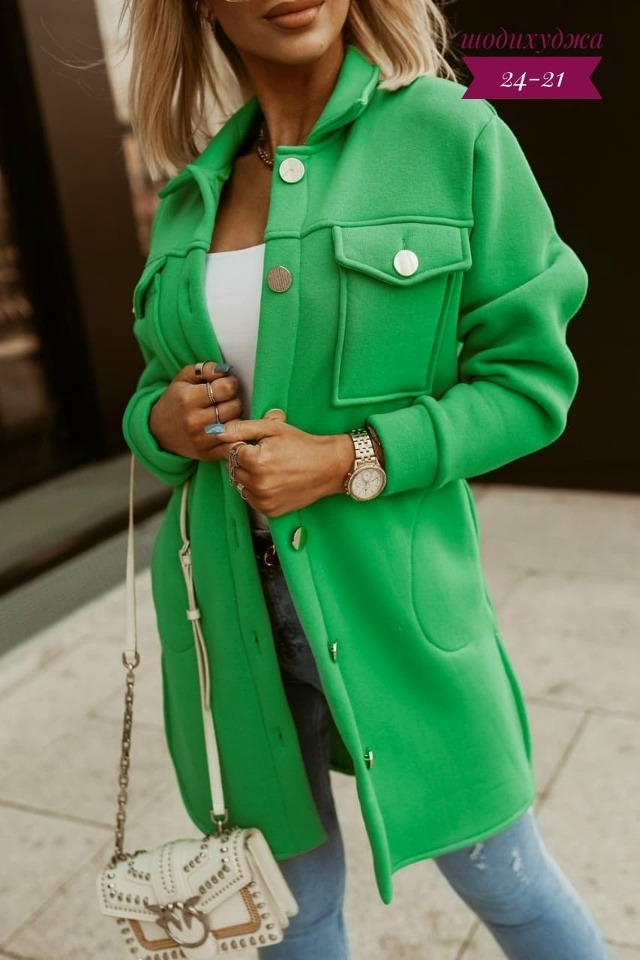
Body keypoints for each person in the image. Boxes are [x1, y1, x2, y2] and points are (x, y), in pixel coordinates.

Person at [121, 1, 609, 957]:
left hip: (400, 609)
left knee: (510, 885)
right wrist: (163, 422)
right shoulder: (189, 195)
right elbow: (150, 397)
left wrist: (352, 458)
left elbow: (530, 384)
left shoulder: (454, 136)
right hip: (228, 617)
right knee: (290, 918)